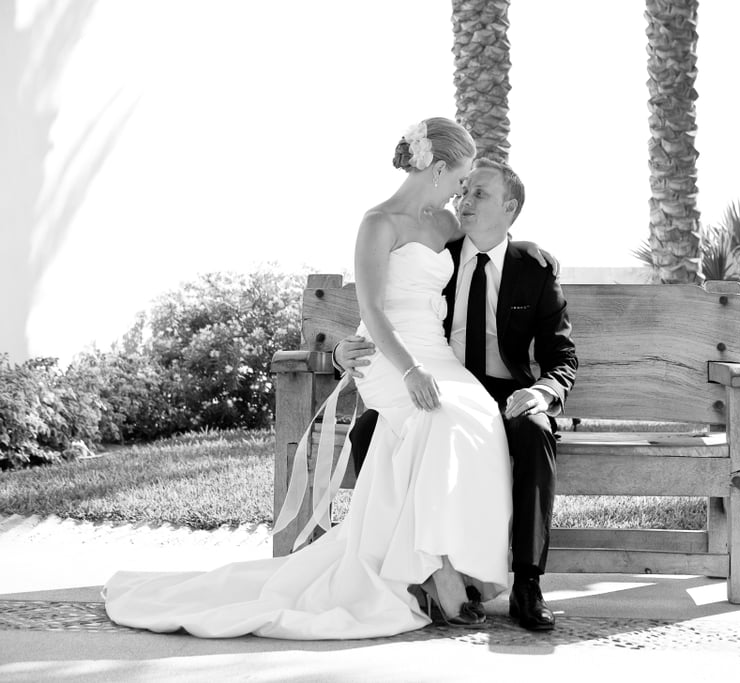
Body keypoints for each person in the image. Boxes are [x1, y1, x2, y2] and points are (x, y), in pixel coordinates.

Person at [102, 117, 542, 639]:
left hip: (436, 355)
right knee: (435, 420)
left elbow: (492, 242)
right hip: (388, 356)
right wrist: (388, 365)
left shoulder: (447, 225)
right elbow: (374, 312)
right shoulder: (378, 223)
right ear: (440, 167)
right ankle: (435, 571)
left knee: (479, 416)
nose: (462, 191)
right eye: (461, 179)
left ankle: (459, 564)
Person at [338, 156, 577, 631]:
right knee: (370, 431)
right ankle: (417, 567)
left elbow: (563, 357)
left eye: (480, 195)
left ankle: (527, 582)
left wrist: (543, 391)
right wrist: (348, 346)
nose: (465, 201)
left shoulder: (535, 268)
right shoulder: (437, 245)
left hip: (506, 392)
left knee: (532, 432)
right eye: (464, 191)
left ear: (510, 208)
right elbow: (394, 301)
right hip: (432, 378)